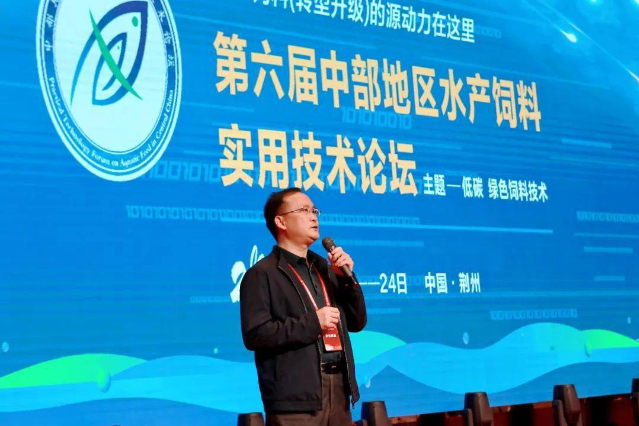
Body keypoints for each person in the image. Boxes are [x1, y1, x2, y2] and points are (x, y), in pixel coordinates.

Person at [240, 187, 367, 425]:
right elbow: (256, 335)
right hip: (295, 400)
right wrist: (313, 323)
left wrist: (346, 280)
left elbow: (357, 322)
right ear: (281, 221)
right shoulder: (262, 274)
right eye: (304, 210)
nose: (313, 217)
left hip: (339, 390)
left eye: (314, 211)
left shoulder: (325, 268)